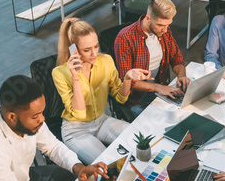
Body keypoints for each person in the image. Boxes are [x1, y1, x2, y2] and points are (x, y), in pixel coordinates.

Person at [52, 18, 152, 165]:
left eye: (96, 46)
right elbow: (80, 113)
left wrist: (127, 78)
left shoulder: (105, 60)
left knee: (140, 140)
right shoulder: (60, 73)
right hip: (76, 130)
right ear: (73, 49)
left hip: (101, 120)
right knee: (108, 164)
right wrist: (75, 77)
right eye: (87, 50)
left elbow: (121, 98)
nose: (94, 54)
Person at [114, 0, 190, 116]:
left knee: (186, 112)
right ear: (148, 18)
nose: (165, 30)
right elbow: (126, 80)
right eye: (161, 25)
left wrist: (181, 75)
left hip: (160, 90)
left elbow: (176, 57)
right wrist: (158, 88)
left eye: (168, 24)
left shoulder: (164, 31)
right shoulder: (125, 38)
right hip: (137, 100)